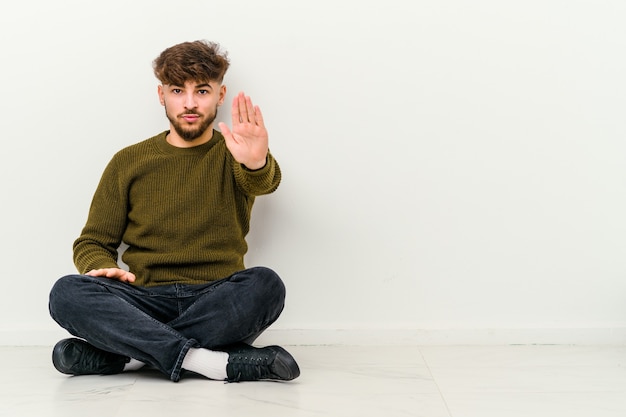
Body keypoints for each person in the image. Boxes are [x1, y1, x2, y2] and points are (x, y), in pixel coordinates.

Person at [48, 40, 300, 383]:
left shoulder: (234, 153)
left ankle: (129, 356)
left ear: (220, 95)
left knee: (266, 285)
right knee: (67, 292)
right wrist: (101, 267)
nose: (190, 103)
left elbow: (262, 182)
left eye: (202, 90)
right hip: (143, 297)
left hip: (216, 296)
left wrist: (256, 163)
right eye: (178, 90)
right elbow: (92, 241)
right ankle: (211, 362)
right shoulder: (129, 161)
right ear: (161, 94)